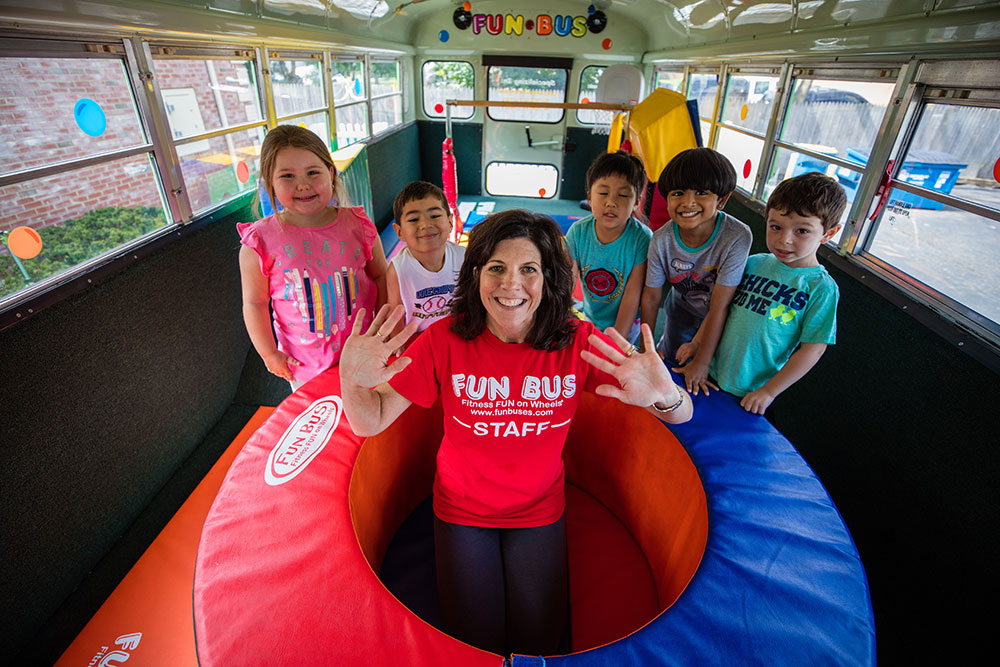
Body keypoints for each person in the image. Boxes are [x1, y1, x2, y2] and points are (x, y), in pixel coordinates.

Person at [339, 210, 691, 657]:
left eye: (529, 270)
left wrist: (666, 397)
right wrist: (351, 382)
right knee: (473, 643)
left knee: (541, 641)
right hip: (461, 509)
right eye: (497, 269)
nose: (511, 285)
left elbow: (681, 415)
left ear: (549, 280)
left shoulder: (576, 340)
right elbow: (370, 421)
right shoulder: (443, 339)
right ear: (476, 275)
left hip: (539, 508)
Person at [238, 125, 387, 390]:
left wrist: (386, 328)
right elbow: (255, 303)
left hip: (366, 353)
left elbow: (381, 276)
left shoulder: (359, 224)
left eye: (312, 172)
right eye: (287, 176)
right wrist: (268, 353)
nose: (303, 184)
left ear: (330, 173)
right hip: (305, 367)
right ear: (269, 181)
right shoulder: (258, 242)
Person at [710, 172, 847, 414]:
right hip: (710, 372)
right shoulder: (753, 262)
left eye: (802, 231)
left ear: (828, 234)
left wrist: (769, 391)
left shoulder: (821, 288)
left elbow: (813, 349)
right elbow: (720, 308)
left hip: (753, 392)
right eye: (775, 227)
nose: (784, 240)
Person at [640, 147, 751, 395]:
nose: (688, 202)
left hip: (722, 315)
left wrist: (700, 363)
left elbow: (720, 306)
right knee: (671, 358)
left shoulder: (736, 236)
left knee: (707, 371)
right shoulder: (661, 240)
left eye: (701, 193)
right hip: (681, 308)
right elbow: (651, 296)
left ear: (722, 200)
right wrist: (647, 349)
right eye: (678, 193)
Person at [564, 151, 652, 342]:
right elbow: (567, 281)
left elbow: (632, 294)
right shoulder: (578, 232)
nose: (611, 202)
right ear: (589, 197)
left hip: (627, 322)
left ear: (636, 202)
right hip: (592, 314)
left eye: (622, 195)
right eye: (603, 193)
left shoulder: (641, 239)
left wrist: (617, 340)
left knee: (615, 363)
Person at [385, 181, 465, 344]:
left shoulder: (463, 257)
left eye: (435, 216)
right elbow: (395, 313)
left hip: (456, 332)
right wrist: (397, 344)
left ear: (450, 223)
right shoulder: (398, 269)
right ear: (399, 232)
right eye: (414, 219)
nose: (425, 225)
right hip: (418, 338)